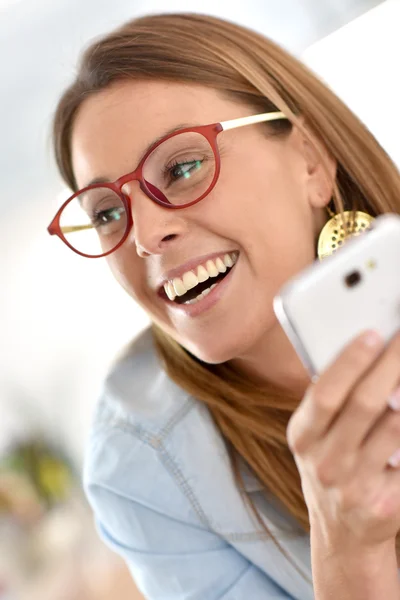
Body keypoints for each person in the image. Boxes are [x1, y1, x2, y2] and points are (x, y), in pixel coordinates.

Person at [47, 13, 400, 600]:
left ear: (310, 160)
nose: (144, 235)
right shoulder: (144, 464)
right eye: (108, 211)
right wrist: (346, 551)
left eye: (183, 168)